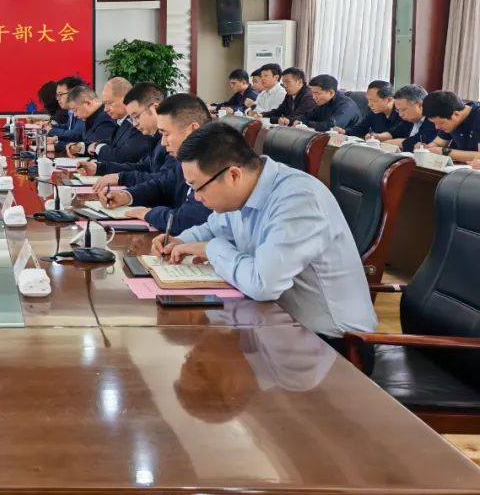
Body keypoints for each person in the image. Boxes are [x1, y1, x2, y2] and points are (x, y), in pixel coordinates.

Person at [155, 122, 377, 347]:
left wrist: (210, 248)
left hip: (332, 344)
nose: (196, 197)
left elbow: (263, 284)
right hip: (275, 326)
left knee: (205, 348)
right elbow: (213, 228)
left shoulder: (298, 199)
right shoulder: (245, 190)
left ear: (233, 175)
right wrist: (180, 241)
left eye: (197, 187)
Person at [98, 93, 212, 232]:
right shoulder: (188, 158)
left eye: (166, 134)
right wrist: (126, 196)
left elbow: (186, 220)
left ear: (193, 129)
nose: (163, 143)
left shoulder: (215, 162)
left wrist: (148, 213)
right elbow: (163, 185)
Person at [79, 82, 166, 187]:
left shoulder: (170, 141)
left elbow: (163, 180)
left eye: (136, 116)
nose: (134, 124)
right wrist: (99, 168)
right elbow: (143, 167)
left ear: (155, 108)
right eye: (132, 119)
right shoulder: (155, 137)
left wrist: (121, 179)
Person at [70, 77, 150, 165]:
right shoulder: (122, 122)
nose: (105, 109)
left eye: (109, 103)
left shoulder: (138, 124)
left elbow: (122, 157)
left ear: (125, 99)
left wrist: (97, 147)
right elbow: (110, 143)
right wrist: (83, 147)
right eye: (105, 104)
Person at [423, 90, 480, 163]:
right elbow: (438, 144)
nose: (437, 127)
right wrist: (426, 148)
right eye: (434, 123)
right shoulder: (448, 116)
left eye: (441, 123)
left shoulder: (477, 116)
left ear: (456, 114)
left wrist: (445, 152)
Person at [59, 85, 116, 156]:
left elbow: (94, 148)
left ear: (88, 103)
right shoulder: (90, 117)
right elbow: (80, 138)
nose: (75, 115)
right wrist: (57, 143)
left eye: (75, 110)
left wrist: (75, 147)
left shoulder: (106, 119)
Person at [340, 80, 407, 139]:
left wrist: (378, 137)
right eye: (369, 100)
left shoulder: (404, 113)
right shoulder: (374, 111)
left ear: (389, 100)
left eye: (374, 101)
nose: (369, 105)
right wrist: (344, 132)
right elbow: (361, 129)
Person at [387, 84, 437, 152]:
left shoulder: (433, 120)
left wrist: (395, 143)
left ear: (419, 105)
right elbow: (393, 133)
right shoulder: (409, 120)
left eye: (404, 110)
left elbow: (418, 142)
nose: (400, 114)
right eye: (398, 110)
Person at [47, 76, 86, 142]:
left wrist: (51, 130)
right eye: (57, 95)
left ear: (73, 93)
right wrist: (51, 126)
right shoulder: (71, 110)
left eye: (60, 94)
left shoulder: (82, 109)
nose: (58, 99)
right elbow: (68, 127)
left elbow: (76, 135)